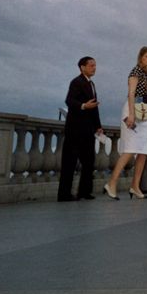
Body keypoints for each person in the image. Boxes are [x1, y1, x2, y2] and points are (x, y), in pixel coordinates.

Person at [104, 47, 147, 201]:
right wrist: (131, 115)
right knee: (129, 150)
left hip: (143, 112)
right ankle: (111, 183)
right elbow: (131, 93)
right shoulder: (135, 72)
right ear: (140, 58)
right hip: (132, 110)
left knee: (142, 152)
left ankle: (135, 186)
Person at [57, 56, 103, 202]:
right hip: (75, 129)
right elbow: (69, 100)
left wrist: (98, 126)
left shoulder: (92, 84)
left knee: (89, 162)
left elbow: (94, 108)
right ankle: (64, 194)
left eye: (95, 65)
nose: (94, 68)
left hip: (88, 130)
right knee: (69, 163)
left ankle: (84, 192)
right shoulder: (76, 82)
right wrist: (83, 106)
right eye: (91, 65)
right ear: (82, 67)